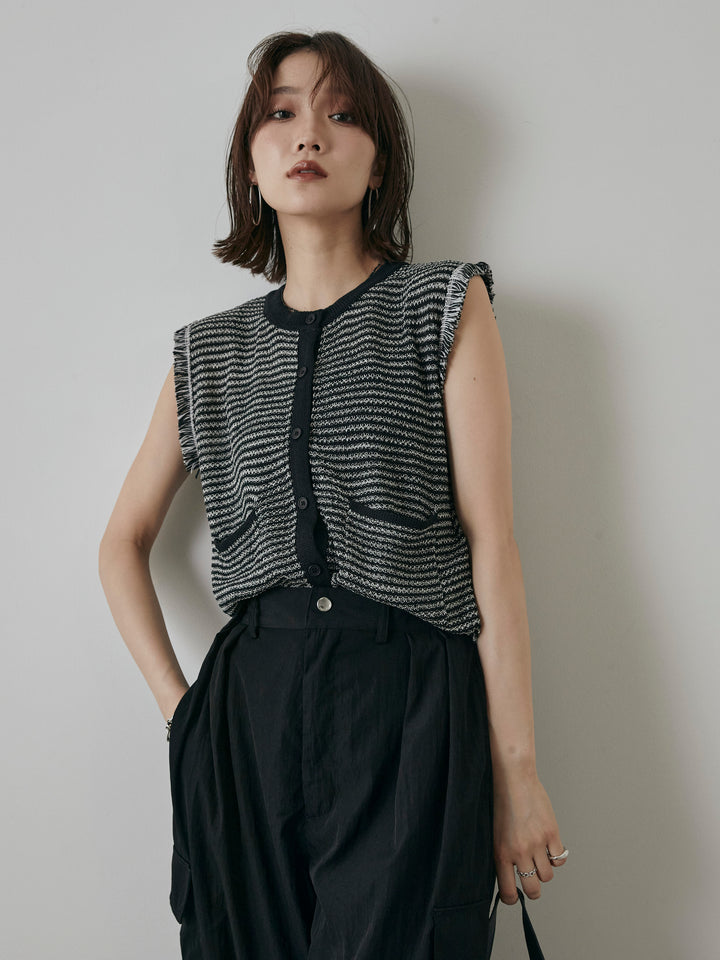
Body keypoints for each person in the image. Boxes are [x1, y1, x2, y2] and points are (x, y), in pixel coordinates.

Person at [98, 28, 568, 960]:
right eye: (281, 114)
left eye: (341, 115)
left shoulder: (443, 306)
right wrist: (182, 712)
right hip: (247, 715)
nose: (309, 134)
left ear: (379, 161)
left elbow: (491, 542)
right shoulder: (208, 352)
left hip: (410, 704)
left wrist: (517, 771)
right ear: (251, 161)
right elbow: (123, 543)